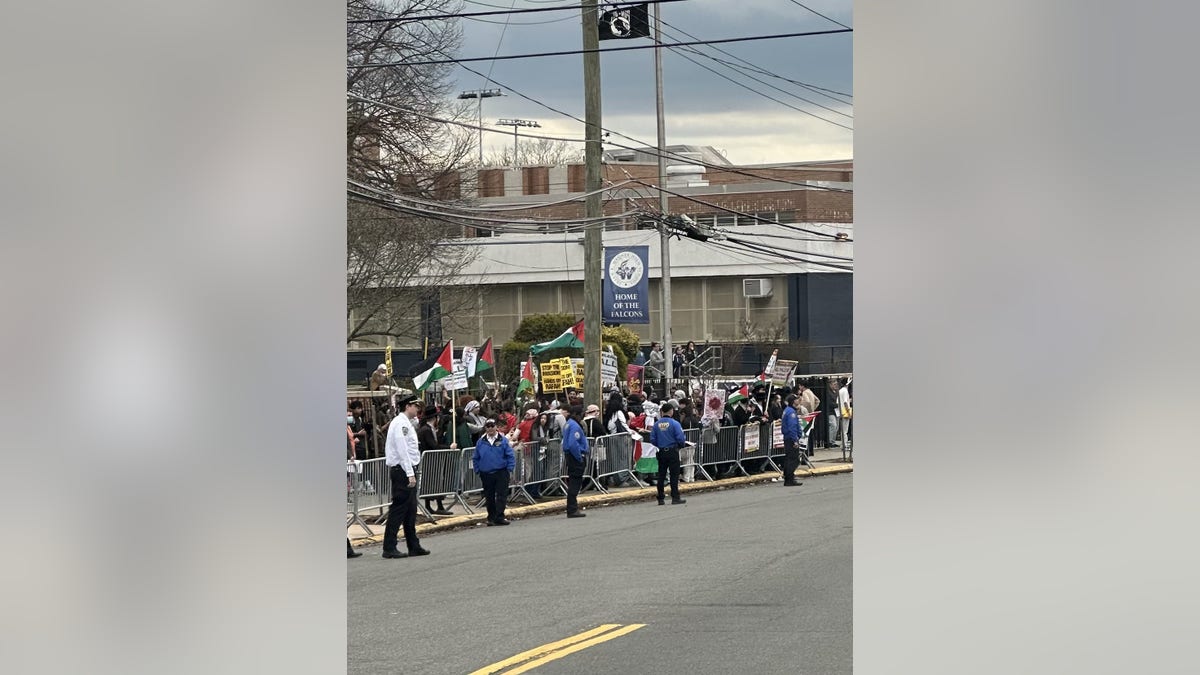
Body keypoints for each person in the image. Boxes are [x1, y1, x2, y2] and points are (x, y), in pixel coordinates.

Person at [381, 395, 430, 559]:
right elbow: (402, 450)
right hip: (402, 470)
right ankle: (389, 546)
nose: (418, 409)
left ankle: (413, 545)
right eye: (415, 406)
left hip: (406, 469)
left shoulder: (405, 423)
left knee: (410, 510)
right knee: (399, 508)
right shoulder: (400, 423)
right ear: (407, 406)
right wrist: (410, 473)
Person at [473, 419, 516, 526]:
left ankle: (499, 516)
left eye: (492, 425)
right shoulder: (480, 441)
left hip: (501, 471)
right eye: (488, 426)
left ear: (496, 426)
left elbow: (510, 455)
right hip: (486, 473)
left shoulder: (503, 440)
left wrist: (509, 468)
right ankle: (491, 518)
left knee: (502, 495)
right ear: (485, 428)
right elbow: (476, 457)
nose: (490, 428)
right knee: (489, 496)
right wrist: (477, 469)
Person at [416, 405, 454, 515]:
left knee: (434, 482)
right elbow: (434, 446)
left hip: (432, 459)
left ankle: (435, 505)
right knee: (433, 482)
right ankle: (434, 506)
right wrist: (449, 447)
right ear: (435, 418)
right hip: (430, 460)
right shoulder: (426, 430)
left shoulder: (429, 429)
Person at [649, 401, 687, 505]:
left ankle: (660, 498)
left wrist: (660, 445)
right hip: (672, 451)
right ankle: (675, 497)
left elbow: (652, 439)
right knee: (674, 475)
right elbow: (680, 438)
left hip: (661, 452)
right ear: (671, 411)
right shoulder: (675, 424)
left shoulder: (657, 425)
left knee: (661, 475)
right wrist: (680, 445)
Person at [560, 407, 588, 518]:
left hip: (570, 456)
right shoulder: (574, 426)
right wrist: (579, 457)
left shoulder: (568, 424)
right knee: (575, 483)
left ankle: (572, 507)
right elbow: (572, 444)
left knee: (573, 481)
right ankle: (572, 509)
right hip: (575, 456)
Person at [780, 394, 804, 487]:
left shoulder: (787, 410)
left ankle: (789, 477)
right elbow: (792, 427)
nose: (798, 400)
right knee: (794, 459)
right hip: (791, 438)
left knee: (789, 458)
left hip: (788, 437)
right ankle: (789, 478)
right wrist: (795, 440)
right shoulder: (791, 413)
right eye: (797, 399)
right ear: (793, 401)